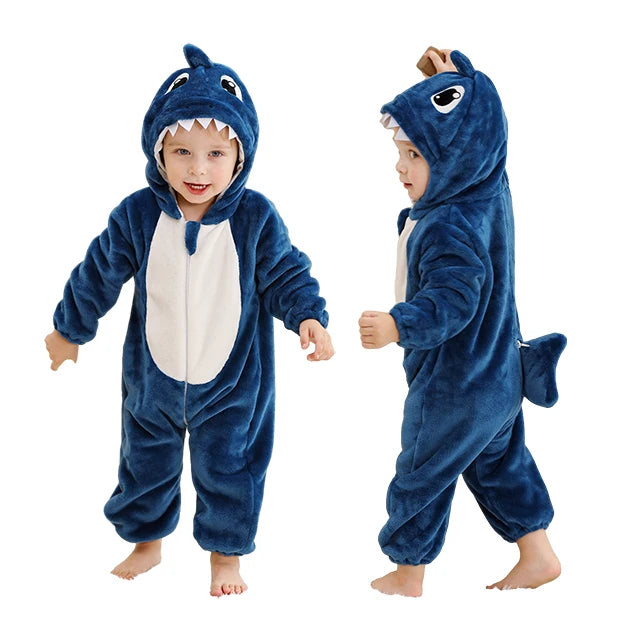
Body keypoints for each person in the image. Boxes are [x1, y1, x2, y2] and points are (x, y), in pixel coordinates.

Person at [45, 44, 334, 597]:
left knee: (231, 466)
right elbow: (99, 271)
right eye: (181, 152)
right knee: (143, 461)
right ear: (158, 151)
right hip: (151, 381)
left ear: (240, 156)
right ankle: (146, 543)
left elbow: (286, 274)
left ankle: (226, 557)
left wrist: (308, 317)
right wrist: (69, 329)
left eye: (215, 154)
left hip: (231, 385)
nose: (198, 169)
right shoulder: (138, 214)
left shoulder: (255, 217)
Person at [359, 48, 565, 596]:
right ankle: (538, 555)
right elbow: (481, 137)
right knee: (499, 466)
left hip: (456, 382)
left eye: (414, 155)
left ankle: (407, 574)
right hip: (500, 374)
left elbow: (454, 301)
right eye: (400, 153)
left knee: (421, 471)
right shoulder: (486, 190)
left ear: (453, 159)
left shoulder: (447, 223)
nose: (400, 167)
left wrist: (399, 325)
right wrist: (456, 85)